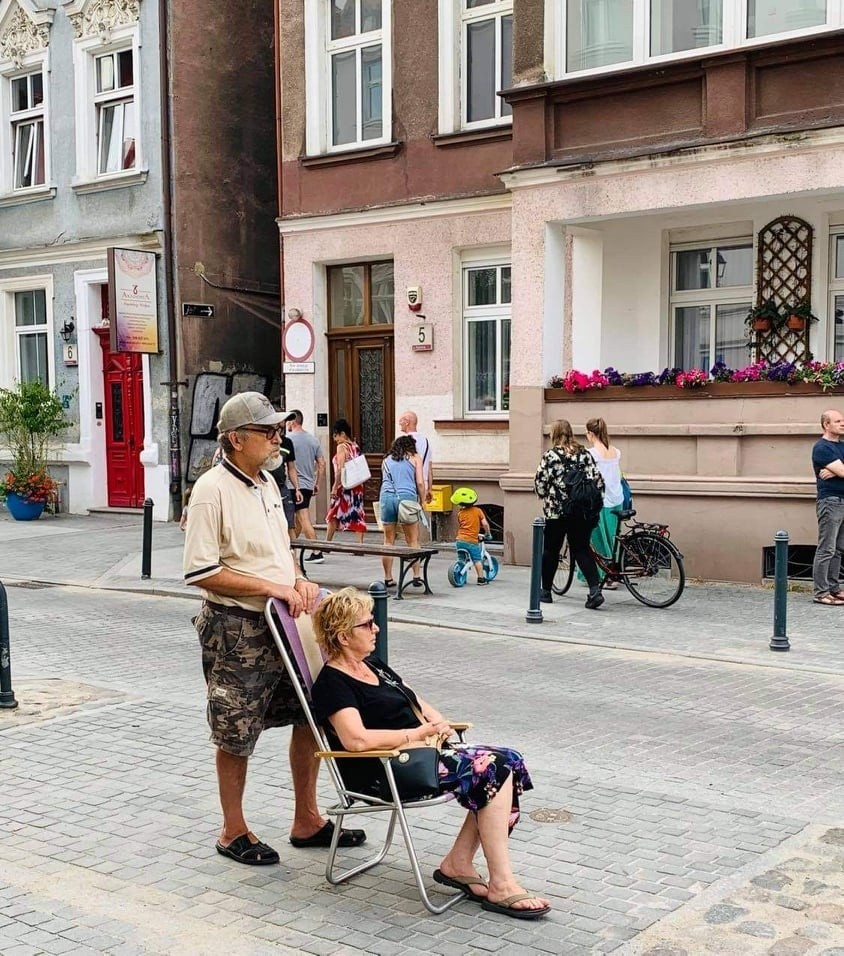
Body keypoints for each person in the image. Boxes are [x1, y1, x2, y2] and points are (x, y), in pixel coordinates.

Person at [183, 391, 365, 865]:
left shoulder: (267, 483)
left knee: (311, 713)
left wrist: (298, 580)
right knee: (236, 728)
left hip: (285, 622)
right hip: (238, 627)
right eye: (267, 431)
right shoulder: (210, 490)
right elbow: (200, 571)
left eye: (278, 428)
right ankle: (233, 830)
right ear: (236, 438)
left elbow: (279, 551)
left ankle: (307, 819)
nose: (276, 437)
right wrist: (272, 587)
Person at [310, 588, 550, 920]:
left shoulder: (373, 666)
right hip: (385, 770)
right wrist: (416, 733)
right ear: (343, 636)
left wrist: (438, 722)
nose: (376, 628)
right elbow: (356, 741)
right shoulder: (332, 683)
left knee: (508, 760)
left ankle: (460, 864)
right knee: (492, 768)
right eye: (367, 624)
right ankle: (500, 883)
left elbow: (416, 701)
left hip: (422, 756)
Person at [534, 419, 605, 610]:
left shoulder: (550, 456)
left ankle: (546, 592)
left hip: (557, 512)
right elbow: (598, 481)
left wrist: (549, 493)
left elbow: (540, 485)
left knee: (551, 550)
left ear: (554, 434)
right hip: (581, 513)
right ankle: (594, 590)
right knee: (581, 549)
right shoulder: (585, 454)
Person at [581, 417, 624, 589]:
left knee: (598, 538)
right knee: (613, 537)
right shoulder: (615, 451)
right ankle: (615, 571)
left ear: (591, 433)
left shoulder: (591, 453)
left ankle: (604, 575)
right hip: (617, 499)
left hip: (601, 500)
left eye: (587, 433)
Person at [378, 434, 425, 587]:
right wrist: (423, 500)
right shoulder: (415, 457)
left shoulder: (385, 460)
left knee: (388, 541)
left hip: (386, 498)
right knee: (412, 540)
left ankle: (388, 577)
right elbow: (420, 482)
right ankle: (416, 576)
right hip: (407, 498)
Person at [811, 408, 844, 605]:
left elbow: (841, 470)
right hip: (830, 501)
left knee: (839, 548)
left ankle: (834, 588)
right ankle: (821, 592)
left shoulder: (842, 446)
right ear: (826, 424)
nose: (842, 424)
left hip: (843, 500)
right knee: (827, 548)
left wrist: (835, 471)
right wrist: (839, 470)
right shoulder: (821, 448)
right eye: (838, 421)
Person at [286, 410, 326, 563]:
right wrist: (317, 483)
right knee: (297, 521)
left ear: (292, 422)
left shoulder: (288, 440)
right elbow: (322, 463)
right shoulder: (313, 440)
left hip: (293, 485)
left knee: (303, 518)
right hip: (308, 485)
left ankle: (317, 551)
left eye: (288, 421)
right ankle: (289, 548)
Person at [325, 418, 367, 544]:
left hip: (344, 485)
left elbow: (340, 469)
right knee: (357, 513)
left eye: (336, 436)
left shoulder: (341, 447)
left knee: (333, 514)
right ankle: (359, 545)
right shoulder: (355, 446)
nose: (334, 439)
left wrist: (335, 486)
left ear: (343, 434)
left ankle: (327, 543)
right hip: (357, 485)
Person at [267, 420, 302, 541]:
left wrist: (297, 488)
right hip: (265, 487)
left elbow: (291, 468)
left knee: (289, 524)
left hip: (282, 487)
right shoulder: (265, 441)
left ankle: (294, 558)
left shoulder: (287, 443)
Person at [450, 486, 491, 586]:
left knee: (461, 559)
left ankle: (460, 575)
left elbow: (463, 525)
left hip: (460, 540)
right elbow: (485, 524)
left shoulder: (460, 513)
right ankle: (481, 579)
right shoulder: (478, 511)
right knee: (477, 560)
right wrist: (488, 534)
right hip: (471, 541)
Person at [399, 410, 433, 504]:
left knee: (409, 516)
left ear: (407, 422)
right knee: (422, 516)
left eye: (401, 421)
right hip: (424, 485)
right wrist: (430, 488)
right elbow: (429, 469)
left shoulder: (404, 442)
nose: (399, 423)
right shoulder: (425, 441)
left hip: (409, 487)